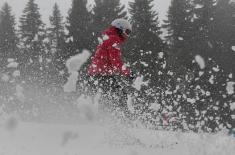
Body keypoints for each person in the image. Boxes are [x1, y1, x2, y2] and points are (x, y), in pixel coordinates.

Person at [87, 18, 133, 113]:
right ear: (120, 29)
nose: (128, 35)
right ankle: (121, 118)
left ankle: (109, 115)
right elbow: (115, 61)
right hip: (101, 74)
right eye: (127, 32)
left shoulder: (108, 37)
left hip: (97, 74)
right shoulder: (113, 39)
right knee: (120, 95)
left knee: (110, 96)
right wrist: (128, 73)